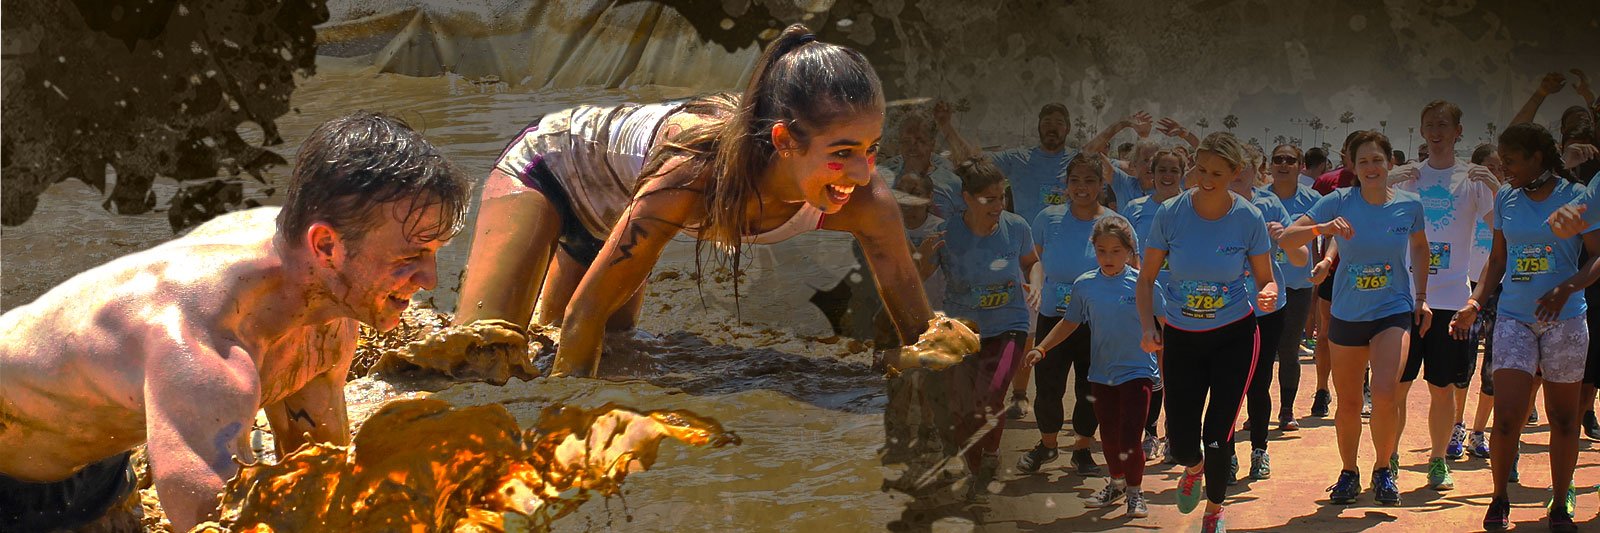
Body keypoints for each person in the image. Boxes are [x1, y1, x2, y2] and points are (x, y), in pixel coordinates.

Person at [0, 111, 471, 531]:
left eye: (434, 253)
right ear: (327, 246)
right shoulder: (201, 349)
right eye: (412, 256)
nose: (429, 279)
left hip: (97, 467)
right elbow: (219, 523)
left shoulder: (323, 294)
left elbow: (319, 482)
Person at [453, 25, 935, 377]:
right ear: (785, 140)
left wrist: (936, 366)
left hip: (624, 207)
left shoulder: (867, 201)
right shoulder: (696, 172)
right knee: (483, 361)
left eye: (872, 148)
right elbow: (587, 313)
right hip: (550, 168)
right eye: (842, 153)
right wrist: (566, 422)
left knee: (615, 355)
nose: (861, 172)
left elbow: (922, 339)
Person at [933, 100, 1139, 419]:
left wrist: (1121, 125)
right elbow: (974, 163)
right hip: (1026, 253)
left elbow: (1097, 151)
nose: (1052, 127)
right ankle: (1017, 394)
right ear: (1039, 126)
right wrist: (947, 128)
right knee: (1026, 326)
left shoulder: (1076, 162)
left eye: (1059, 121)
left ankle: (1083, 410)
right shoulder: (1020, 159)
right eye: (1047, 121)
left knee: (1086, 336)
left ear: (1067, 128)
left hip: (1070, 256)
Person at [1450, 122, 1599, 532]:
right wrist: (1475, 302)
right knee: (1507, 415)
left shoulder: (1577, 198)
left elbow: (1596, 257)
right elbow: (1497, 261)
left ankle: (1559, 505)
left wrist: (1566, 288)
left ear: (1537, 158)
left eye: (1512, 161)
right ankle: (1499, 497)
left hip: (1565, 320)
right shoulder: (1507, 199)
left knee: (1564, 418)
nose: (1505, 168)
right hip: (1514, 319)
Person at [1280, 130, 1431, 507]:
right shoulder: (1339, 201)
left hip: (1392, 311)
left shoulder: (1410, 206)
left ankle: (1383, 469)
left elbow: (1420, 248)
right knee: (1347, 403)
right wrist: (1324, 229)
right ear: (1352, 166)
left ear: (1389, 163)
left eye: (1377, 160)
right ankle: (1349, 471)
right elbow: (1287, 237)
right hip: (1347, 313)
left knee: (1383, 393)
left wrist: (1422, 298)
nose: (1371, 167)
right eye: (1362, 161)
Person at [1137, 132, 1278, 533]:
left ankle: (1214, 511)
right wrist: (1148, 326)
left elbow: (1266, 279)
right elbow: (1146, 279)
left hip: (1234, 336)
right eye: (1201, 169)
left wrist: (1267, 294)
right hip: (1181, 337)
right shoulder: (1171, 213)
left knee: (1218, 433)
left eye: (1218, 172)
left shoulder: (1247, 217)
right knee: (1182, 440)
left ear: (1236, 173)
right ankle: (1193, 468)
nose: (1207, 178)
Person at [1387, 101, 1497, 492]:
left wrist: (1497, 187)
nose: (1435, 132)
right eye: (1428, 125)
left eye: (1443, 125)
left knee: (1442, 388)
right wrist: (1385, 178)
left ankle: (1437, 461)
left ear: (1457, 132)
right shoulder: (1405, 179)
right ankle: (1390, 459)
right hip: (1405, 299)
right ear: (1421, 131)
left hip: (1451, 300)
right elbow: (1365, 211)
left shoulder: (1472, 180)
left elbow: (1503, 231)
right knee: (1396, 387)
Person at [915, 157, 1038, 495]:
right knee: (963, 402)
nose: (998, 206)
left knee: (991, 396)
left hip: (1010, 326)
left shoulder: (1017, 227)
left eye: (1002, 197)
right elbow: (920, 278)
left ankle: (989, 456)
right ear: (967, 198)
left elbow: (1031, 264)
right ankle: (975, 466)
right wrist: (923, 260)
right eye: (989, 199)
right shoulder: (943, 233)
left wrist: (1037, 282)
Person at [1027, 216, 1162, 519]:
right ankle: (1115, 483)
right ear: (1094, 251)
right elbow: (1070, 321)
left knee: (1130, 437)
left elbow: (1164, 325)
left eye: (1116, 251)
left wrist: (1169, 372)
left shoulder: (1144, 284)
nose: (1109, 258)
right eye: (1102, 251)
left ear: (1129, 251)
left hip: (1138, 371)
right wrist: (1041, 347)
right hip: (1101, 374)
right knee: (1110, 436)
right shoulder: (1085, 285)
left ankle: (1135, 491)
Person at [1014, 154, 1128, 476]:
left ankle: (1081, 450)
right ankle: (1047, 445)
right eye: (1075, 180)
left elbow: (1129, 268)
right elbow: (1033, 261)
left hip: (1098, 324)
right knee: (1048, 387)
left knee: (1089, 390)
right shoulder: (1047, 219)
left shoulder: (1114, 224)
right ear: (1065, 185)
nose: (1082, 187)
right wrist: (1035, 285)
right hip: (1054, 318)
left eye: (1090, 180)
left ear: (1101, 184)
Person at [1233, 148, 1310, 483]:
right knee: (1228, 385)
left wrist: (1287, 239)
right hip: (1225, 309)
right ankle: (1227, 454)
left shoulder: (1269, 205)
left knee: (1259, 382)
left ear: (1255, 171)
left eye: (1243, 167)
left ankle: (1259, 450)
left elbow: (1300, 258)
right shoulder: (1205, 207)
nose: (1236, 173)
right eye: (1229, 166)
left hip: (1266, 308)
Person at [1122, 147, 1187, 462]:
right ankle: (1148, 433)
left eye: (1174, 171)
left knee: (1174, 371)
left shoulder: (1190, 208)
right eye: (1162, 170)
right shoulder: (1135, 209)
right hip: (1145, 299)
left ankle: (1175, 435)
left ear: (1182, 174)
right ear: (1152, 172)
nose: (1167, 176)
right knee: (1148, 370)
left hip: (1180, 302)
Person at [1264, 144, 1324, 431]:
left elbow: (1331, 231)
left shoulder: (1313, 199)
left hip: (1298, 286)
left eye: (1290, 160)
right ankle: (1258, 410)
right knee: (1262, 352)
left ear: (1300, 165)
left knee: (1289, 349)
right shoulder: (1259, 199)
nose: (1283, 164)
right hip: (1262, 285)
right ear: (1270, 165)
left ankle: (1287, 411)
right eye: (1278, 159)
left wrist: (1324, 263)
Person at [1462, 143, 1509, 459]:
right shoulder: (1464, 200)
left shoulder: (1510, 202)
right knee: (1461, 365)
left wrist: (1497, 187)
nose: (1495, 173)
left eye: (1500, 168)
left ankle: (1479, 432)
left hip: (1502, 289)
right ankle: (1455, 426)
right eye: (1488, 167)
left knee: (1493, 367)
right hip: (1467, 288)